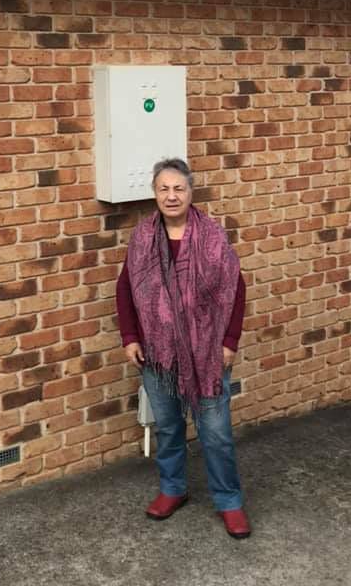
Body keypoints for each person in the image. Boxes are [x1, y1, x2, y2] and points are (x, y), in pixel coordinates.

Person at [116, 157, 251, 538]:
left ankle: (229, 501)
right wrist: (130, 337)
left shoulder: (212, 237)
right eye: (164, 189)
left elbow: (235, 290)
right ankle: (173, 489)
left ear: (190, 193)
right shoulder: (142, 238)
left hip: (207, 353)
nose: (171, 196)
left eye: (179, 188)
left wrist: (229, 342)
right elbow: (125, 289)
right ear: (155, 194)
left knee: (217, 433)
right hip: (157, 355)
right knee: (169, 428)